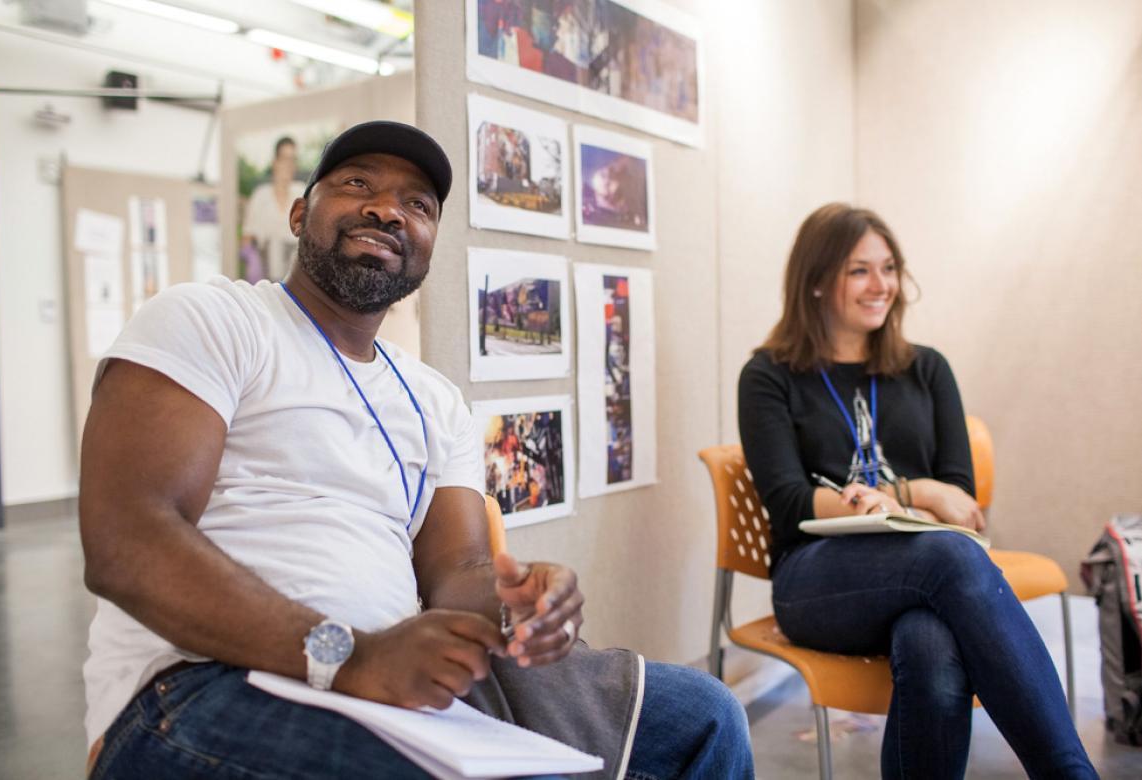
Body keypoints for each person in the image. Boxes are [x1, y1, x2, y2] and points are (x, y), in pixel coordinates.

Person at [80, 121, 753, 779]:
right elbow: (127, 542)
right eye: (355, 183)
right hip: (202, 683)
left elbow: (456, 569)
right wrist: (347, 657)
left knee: (706, 717)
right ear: (296, 212)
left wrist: (515, 601)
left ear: (428, 245)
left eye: (417, 204)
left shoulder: (433, 399)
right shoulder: (212, 319)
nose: (385, 209)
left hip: (393, 684)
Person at [737, 203, 1095, 779]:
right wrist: (916, 493)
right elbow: (789, 502)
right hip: (817, 579)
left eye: (889, 267)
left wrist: (902, 495)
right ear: (816, 281)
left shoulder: (927, 370)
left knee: (930, 645)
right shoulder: (769, 376)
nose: (882, 286)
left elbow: (961, 502)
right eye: (859, 270)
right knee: (949, 557)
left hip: (923, 569)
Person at [240, 135, 306, 281]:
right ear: (275, 162)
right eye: (285, 159)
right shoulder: (260, 196)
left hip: (296, 273)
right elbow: (247, 238)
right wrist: (251, 258)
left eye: (293, 160)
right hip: (267, 271)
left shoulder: (301, 192)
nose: (289, 165)